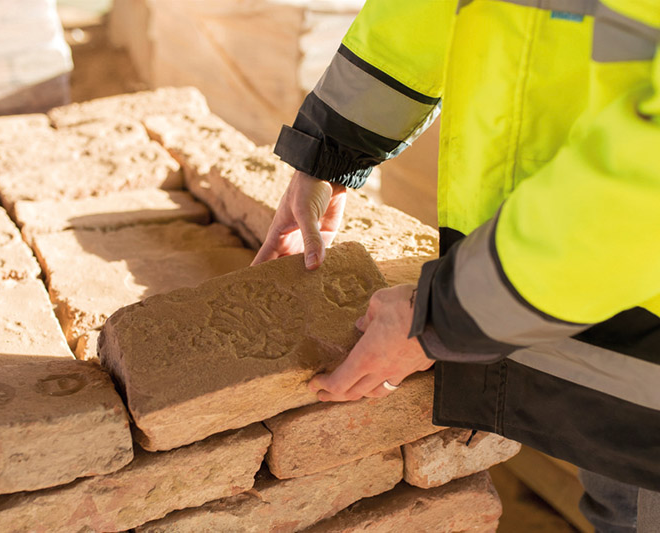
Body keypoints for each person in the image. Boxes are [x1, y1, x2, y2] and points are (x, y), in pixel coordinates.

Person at [251, 1, 660, 531]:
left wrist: (448, 315)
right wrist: (333, 151)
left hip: (632, 315)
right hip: (585, 319)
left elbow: (644, 186)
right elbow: (419, 14)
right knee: (617, 509)